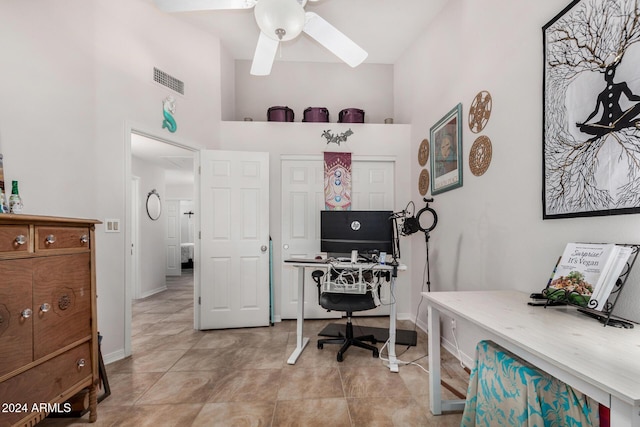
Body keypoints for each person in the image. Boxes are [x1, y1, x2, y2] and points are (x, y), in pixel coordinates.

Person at [577, 63, 640, 137]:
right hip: (605, 122)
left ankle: (626, 124)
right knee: (583, 128)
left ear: (613, 74)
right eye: (607, 73)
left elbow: (631, 97)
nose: (608, 75)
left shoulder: (620, 86)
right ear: (605, 77)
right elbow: (595, 111)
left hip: (619, 117)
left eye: (610, 73)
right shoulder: (601, 95)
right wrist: (584, 123)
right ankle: (627, 124)